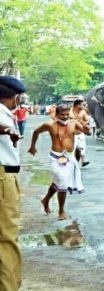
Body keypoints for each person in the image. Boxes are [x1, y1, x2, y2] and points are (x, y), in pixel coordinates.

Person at [28, 104, 91, 221]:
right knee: (62, 182)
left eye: (67, 114)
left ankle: (45, 200)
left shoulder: (74, 123)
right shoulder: (49, 125)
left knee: (59, 181)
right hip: (55, 158)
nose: (65, 117)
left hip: (69, 158)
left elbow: (87, 132)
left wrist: (87, 130)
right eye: (62, 115)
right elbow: (36, 132)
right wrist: (32, 147)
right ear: (57, 114)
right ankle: (61, 211)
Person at [0, 76, 26, 291]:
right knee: (7, 238)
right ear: (15, 96)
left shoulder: (7, 112)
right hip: (3, 176)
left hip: (8, 174)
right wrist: (7, 130)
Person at [69, 99, 91, 167]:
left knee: (82, 148)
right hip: (72, 135)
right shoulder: (70, 111)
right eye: (83, 105)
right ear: (77, 105)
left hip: (81, 133)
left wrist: (85, 123)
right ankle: (71, 163)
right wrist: (81, 122)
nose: (84, 106)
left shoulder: (83, 112)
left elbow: (88, 120)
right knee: (72, 150)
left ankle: (83, 160)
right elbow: (72, 119)